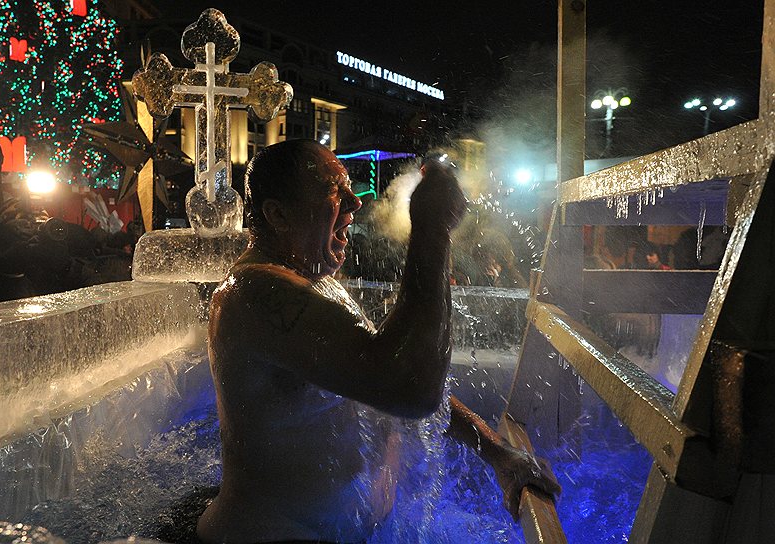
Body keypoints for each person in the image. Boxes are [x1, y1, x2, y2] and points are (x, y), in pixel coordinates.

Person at [197, 140, 560, 544]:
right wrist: (431, 229)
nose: (355, 203)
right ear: (278, 214)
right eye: (333, 191)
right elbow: (409, 386)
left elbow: (383, 373)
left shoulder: (316, 284)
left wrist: (497, 454)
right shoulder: (254, 295)